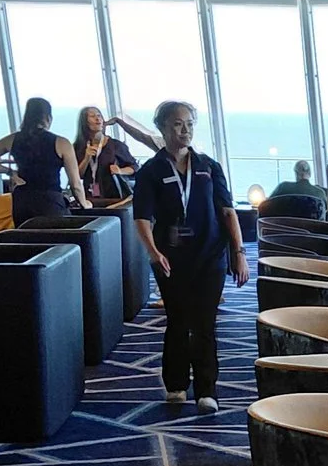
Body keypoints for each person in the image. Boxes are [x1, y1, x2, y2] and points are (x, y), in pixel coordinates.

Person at [129, 100, 249, 410]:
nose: (185, 131)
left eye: (190, 124)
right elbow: (142, 218)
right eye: (178, 125)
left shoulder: (209, 166)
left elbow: (227, 210)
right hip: (170, 258)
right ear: (163, 128)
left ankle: (207, 389)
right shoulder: (151, 171)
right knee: (179, 321)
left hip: (210, 255)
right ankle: (177, 384)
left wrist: (239, 252)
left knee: (205, 322)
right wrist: (153, 252)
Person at [0, 96, 88, 221]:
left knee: (26, 239)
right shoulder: (62, 143)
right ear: (48, 118)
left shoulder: (12, 139)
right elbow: (75, 184)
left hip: (22, 202)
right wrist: (84, 205)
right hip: (50, 202)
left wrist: (10, 172)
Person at [75, 105, 154, 203]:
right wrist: (86, 159)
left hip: (115, 198)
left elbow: (134, 167)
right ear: (84, 122)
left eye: (99, 115)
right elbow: (76, 176)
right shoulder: (77, 147)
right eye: (92, 116)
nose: (97, 118)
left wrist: (120, 170)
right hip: (90, 198)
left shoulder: (115, 145)